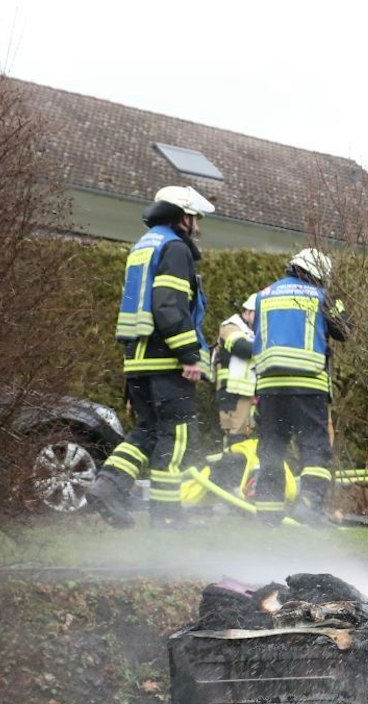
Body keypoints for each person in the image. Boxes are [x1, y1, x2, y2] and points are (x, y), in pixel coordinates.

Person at [91, 185, 213, 529]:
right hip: (166, 360)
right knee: (175, 438)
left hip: (138, 360)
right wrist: (189, 354)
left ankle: (109, 486)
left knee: (146, 431)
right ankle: (168, 517)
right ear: (183, 217)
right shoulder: (175, 248)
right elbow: (169, 304)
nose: (199, 227)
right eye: (196, 218)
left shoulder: (145, 245)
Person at [247, 248, 349, 525]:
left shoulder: (263, 295)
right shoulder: (320, 297)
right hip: (306, 385)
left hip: (269, 387)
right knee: (314, 448)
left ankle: (267, 515)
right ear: (315, 275)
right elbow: (344, 330)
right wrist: (337, 300)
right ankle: (309, 507)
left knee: (271, 449)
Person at [212, 294, 259, 444]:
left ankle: (238, 465)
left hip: (247, 392)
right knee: (235, 434)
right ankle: (231, 467)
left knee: (245, 434)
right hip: (231, 392)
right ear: (247, 312)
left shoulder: (253, 331)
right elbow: (241, 347)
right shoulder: (231, 326)